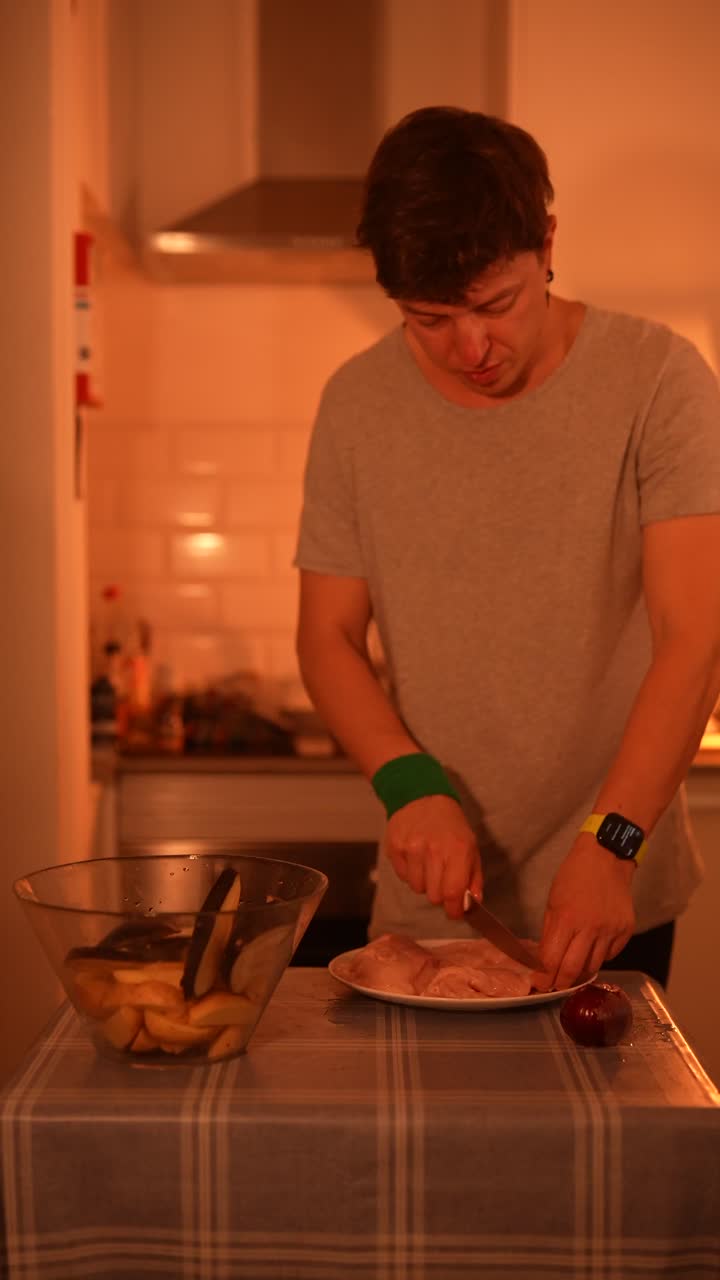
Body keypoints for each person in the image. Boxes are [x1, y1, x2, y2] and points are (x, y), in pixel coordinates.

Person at [293, 105, 720, 991]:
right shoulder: (356, 403)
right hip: (435, 902)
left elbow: (697, 636)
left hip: (615, 880)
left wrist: (615, 841)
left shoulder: (659, 380)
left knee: (610, 1132)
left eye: (496, 305)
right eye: (430, 319)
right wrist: (408, 784)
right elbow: (327, 636)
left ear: (548, 241)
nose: (471, 348)